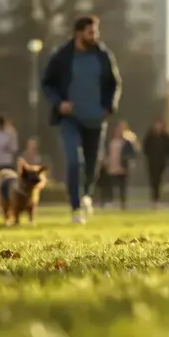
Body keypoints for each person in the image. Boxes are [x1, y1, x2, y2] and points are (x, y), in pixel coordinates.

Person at [40, 15, 122, 224]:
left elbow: (115, 83)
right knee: (74, 161)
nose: (95, 36)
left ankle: (86, 194)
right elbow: (47, 83)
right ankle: (76, 207)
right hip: (70, 119)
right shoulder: (62, 56)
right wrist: (59, 103)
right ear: (79, 33)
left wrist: (109, 107)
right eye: (91, 32)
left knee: (92, 166)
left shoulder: (103, 55)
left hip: (96, 120)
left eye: (96, 32)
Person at [102, 121, 138, 209]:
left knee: (122, 186)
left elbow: (132, 153)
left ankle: (123, 203)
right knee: (111, 185)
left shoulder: (127, 143)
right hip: (112, 167)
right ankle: (110, 201)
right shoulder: (112, 142)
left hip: (122, 167)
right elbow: (108, 153)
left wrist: (128, 162)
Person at [142, 119, 169, 208]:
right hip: (151, 161)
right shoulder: (150, 136)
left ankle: (157, 199)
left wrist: (167, 158)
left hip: (161, 162)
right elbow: (145, 147)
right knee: (152, 180)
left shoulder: (166, 137)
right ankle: (153, 198)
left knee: (158, 180)